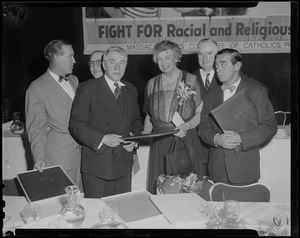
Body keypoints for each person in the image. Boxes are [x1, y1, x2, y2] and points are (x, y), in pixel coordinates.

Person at [69, 46, 141, 198]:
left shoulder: (131, 89)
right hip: (98, 165)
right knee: (97, 215)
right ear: (104, 64)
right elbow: (76, 125)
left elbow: (136, 120)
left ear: (126, 65)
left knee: (121, 211)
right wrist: (102, 138)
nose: (117, 67)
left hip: (123, 164)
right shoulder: (87, 88)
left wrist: (134, 140)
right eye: (112, 62)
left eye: (122, 63)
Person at [199, 48, 278, 185]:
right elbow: (203, 128)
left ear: (237, 66)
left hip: (244, 170)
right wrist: (216, 139)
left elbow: (269, 127)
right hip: (217, 169)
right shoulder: (211, 95)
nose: (218, 70)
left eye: (223, 64)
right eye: (216, 65)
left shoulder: (257, 90)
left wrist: (240, 138)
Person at [142, 40, 204, 194]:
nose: (163, 62)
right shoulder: (151, 84)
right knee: (161, 191)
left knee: (186, 190)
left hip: (185, 141)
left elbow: (200, 113)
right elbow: (149, 117)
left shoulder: (190, 80)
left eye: (167, 57)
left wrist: (187, 126)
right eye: (160, 59)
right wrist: (142, 137)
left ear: (176, 57)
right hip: (160, 144)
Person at [25, 39, 82, 190]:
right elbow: (36, 128)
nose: (74, 61)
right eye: (70, 56)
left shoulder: (74, 80)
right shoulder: (36, 88)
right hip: (58, 159)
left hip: (80, 157)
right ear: (56, 58)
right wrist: (39, 158)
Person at [192, 38, 222, 175]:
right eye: (200, 54)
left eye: (209, 53)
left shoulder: (227, 77)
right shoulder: (188, 78)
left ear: (217, 55)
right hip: (195, 145)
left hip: (220, 145)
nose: (204, 58)